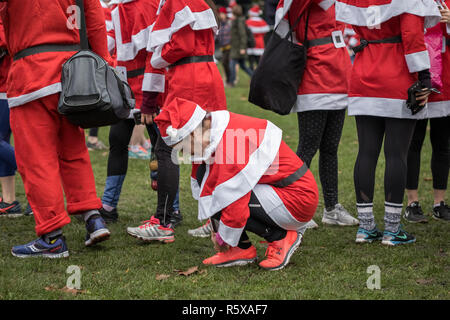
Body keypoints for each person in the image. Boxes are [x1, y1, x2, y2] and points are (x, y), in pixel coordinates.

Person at [154, 98, 319, 270]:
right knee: (214, 184)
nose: (185, 153)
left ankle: (279, 237)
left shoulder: (228, 145)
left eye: (183, 147)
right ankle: (241, 248)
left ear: (193, 134)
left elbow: (233, 201)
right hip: (286, 191)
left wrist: (222, 238)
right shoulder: (215, 128)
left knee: (225, 194)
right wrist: (217, 228)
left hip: (297, 199)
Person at [3, 0, 113, 258]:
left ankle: (51, 237)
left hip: (30, 75)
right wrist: (103, 64)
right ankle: (93, 217)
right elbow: (95, 19)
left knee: (37, 159)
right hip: (73, 74)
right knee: (73, 150)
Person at [335, 0, 441, 245]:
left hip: (363, 72)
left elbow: (352, 30)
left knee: (366, 152)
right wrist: (425, 76)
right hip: (397, 74)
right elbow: (412, 36)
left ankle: (366, 227)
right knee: (396, 155)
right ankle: (392, 230)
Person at [126, 0, 227, 242]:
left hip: (188, 79)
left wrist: (158, 55)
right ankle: (217, 221)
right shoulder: (203, 2)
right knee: (205, 151)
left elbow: (181, 44)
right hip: (207, 75)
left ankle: (163, 221)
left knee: (166, 148)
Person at [275, 0, 358, 227]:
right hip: (315, 75)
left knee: (330, 149)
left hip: (340, 74)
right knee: (308, 147)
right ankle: (292, 207)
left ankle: (331, 208)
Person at [98, 0, 169, 224]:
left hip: (151, 87)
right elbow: (109, 42)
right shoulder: (118, 7)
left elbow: (154, 49)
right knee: (117, 140)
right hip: (126, 86)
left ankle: (168, 209)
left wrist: (149, 95)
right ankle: (108, 206)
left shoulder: (148, 4)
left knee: (162, 148)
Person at [405, 1, 450, 223]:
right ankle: (412, 202)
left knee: (442, 143)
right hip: (416, 76)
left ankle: (439, 202)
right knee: (413, 142)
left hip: (446, 81)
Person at [229, 4, 253, 86]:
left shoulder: (239, 21)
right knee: (243, 65)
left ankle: (231, 82)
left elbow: (243, 35)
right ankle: (254, 77)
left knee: (232, 64)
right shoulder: (237, 20)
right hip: (236, 47)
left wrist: (242, 48)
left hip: (238, 48)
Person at [246, 5, 269, 71]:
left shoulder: (248, 21)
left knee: (251, 62)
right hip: (260, 42)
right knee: (259, 62)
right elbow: (266, 31)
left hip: (250, 43)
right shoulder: (262, 21)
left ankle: (252, 76)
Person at [217, 7, 232, 87]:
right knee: (225, 64)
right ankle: (228, 79)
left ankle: (229, 80)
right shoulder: (219, 24)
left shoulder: (229, 23)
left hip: (229, 46)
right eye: (220, 14)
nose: (221, 15)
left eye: (222, 14)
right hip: (222, 47)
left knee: (226, 63)